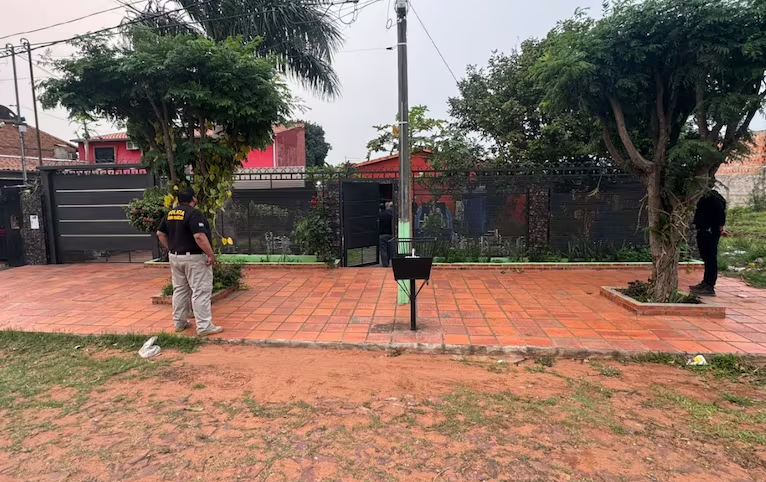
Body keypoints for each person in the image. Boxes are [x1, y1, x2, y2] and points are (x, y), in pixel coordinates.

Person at [156, 187, 224, 335]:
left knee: (180, 290)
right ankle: (204, 326)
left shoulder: (171, 213)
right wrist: (211, 254)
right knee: (201, 291)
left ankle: (179, 323)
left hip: (175, 257)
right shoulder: (194, 213)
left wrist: (172, 248)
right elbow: (199, 236)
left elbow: (160, 233)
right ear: (193, 199)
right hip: (194, 258)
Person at [691, 188, 727, 297]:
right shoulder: (704, 197)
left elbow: (721, 213)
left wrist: (720, 227)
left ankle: (709, 285)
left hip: (710, 231)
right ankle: (705, 282)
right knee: (706, 258)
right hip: (704, 230)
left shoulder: (713, 198)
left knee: (710, 258)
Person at [378, 203, 394, 267]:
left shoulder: (379, 216)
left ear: (380, 209)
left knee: (383, 249)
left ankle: (385, 263)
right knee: (390, 249)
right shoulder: (390, 215)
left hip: (382, 234)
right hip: (390, 234)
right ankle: (390, 260)